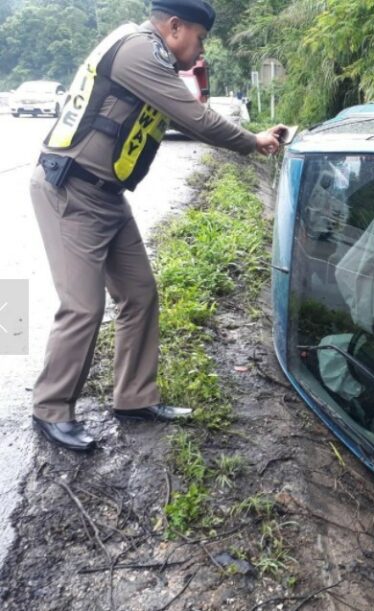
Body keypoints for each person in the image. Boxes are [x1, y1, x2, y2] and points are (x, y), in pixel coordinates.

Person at [30, 0, 285, 451]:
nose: (201, 49)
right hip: (71, 190)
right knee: (82, 308)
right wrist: (254, 141)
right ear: (174, 26)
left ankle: (133, 398)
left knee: (140, 294)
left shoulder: (155, 57)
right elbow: (196, 118)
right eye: (200, 38)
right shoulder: (138, 52)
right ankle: (50, 409)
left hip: (106, 196)